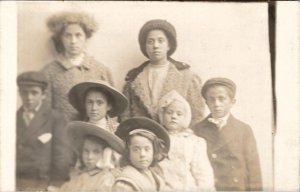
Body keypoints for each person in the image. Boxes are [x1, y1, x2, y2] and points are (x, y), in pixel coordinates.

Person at [121, 19, 204, 126]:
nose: (155, 45)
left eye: (161, 40)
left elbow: (197, 115)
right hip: (143, 137)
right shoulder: (134, 78)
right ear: (145, 47)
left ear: (169, 45)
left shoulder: (186, 76)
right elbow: (126, 117)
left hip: (176, 138)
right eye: (150, 41)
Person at [192, 77, 263, 191]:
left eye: (222, 99)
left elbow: (254, 170)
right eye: (211, 99)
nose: (216, 104)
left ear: (232, 102)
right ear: (206, 103)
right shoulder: (197, 129)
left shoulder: (244, 130)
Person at [42, 11, 114, 122]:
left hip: (94, 133)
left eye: (78, 35)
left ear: (86, 37)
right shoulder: (49, 72)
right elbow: (44, 113)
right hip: (62, 134)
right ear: (60, 38)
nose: (73, 41)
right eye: (68, 35)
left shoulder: (101, 70)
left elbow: (112, 111)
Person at [16, 71, 71, 191]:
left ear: (44, 94)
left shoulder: (55, 118)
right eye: (24, 92)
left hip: (42, 184)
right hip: (17, 183)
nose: (29, 97)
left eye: (34, 93)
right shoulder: (13, 118)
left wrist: (55, 184)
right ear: (19, 93)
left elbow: (62, 155)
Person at [157, 90, 215, 191]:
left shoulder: (194, 142)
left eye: (179, 114)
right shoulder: (156, 139)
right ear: (162, 115)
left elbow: (202, 172)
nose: (173, 116)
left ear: (186, 117)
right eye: (169, 112)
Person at [68, 80, 128, 170]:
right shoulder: (77, 131)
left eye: (99, 103)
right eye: (90, 102)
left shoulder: (118, 131)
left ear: (109, 106)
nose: (94, 108)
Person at [56, 121, 125, 191]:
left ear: (105, 153)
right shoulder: (76, 174)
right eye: (86, 151)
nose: (90, 157)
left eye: (96, 152)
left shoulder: (105, 179)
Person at [113, 117, 171, 192]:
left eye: (147, 149)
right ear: (128, 152)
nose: (142, 154)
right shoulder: (125, 183)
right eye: (136, 150)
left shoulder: (156, 176)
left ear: (154, 151)